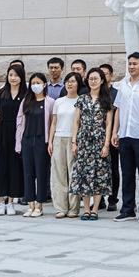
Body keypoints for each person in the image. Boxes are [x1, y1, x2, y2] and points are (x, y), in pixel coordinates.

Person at [111, 53, 139, 223]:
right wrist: (115, 132)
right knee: (127, 173)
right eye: (129, 64)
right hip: (125, 135)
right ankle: (128, 208)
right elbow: (118, 109)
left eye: (135, 64)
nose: (131, 67)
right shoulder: (122, 86)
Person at [72, 69, 114, 221]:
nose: (93, 81)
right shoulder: (82, 99)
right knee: (84, 174)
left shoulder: (106, 100)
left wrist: (106, 144)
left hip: (100, 139)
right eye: (90, 79)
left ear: (102, 80)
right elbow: (76, 122)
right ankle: (86, 209)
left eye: (96, 78)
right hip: (84, 140)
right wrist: (74, 142)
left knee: (99, 174)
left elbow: (108, 123)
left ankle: (95, 209)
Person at [15, 73, 54, 217]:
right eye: (33, 83)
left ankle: (40, 205)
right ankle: (30, 204)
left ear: (44, 84)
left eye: (38, 82)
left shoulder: (50, 102)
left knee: (41, 173)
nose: (35, 85)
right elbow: (19, 123)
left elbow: (51, 124)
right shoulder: (26, 101)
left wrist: (50, 142)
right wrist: (18, 144)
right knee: (28, 173)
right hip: (27, 139)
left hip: (41, 141)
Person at [0, 64, 26, 215]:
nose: (13, 78)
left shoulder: (26, 93)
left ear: (21, 77)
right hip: (3, 130)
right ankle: (0, 202)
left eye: (16, 75)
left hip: (18, 132)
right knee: (0, 165)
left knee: (15, 166)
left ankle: (11, 201)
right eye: (10, 75)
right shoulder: (0, 92)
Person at [48, 72, 82, 219]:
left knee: (73, 174)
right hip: (59, 138)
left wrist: (76, 142)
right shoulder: (59, 102)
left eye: (73, 81)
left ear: (78, 84)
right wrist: (50, 141)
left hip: (74, 140)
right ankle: (61, 207)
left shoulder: (82, 101)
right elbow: (53, 123)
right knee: (59, 174)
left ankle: (73, 207)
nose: (69, 84)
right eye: (67, 81)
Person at [98, 63, 120, 211]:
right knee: (96, 169)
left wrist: (115, 133)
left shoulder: (116, 93)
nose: (102, 76)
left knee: (113, 169)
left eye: (105, 73)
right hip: (95, 136)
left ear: (111, 76)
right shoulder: (92, 93)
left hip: (112, 136)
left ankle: (112, 198)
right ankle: (98, 199)